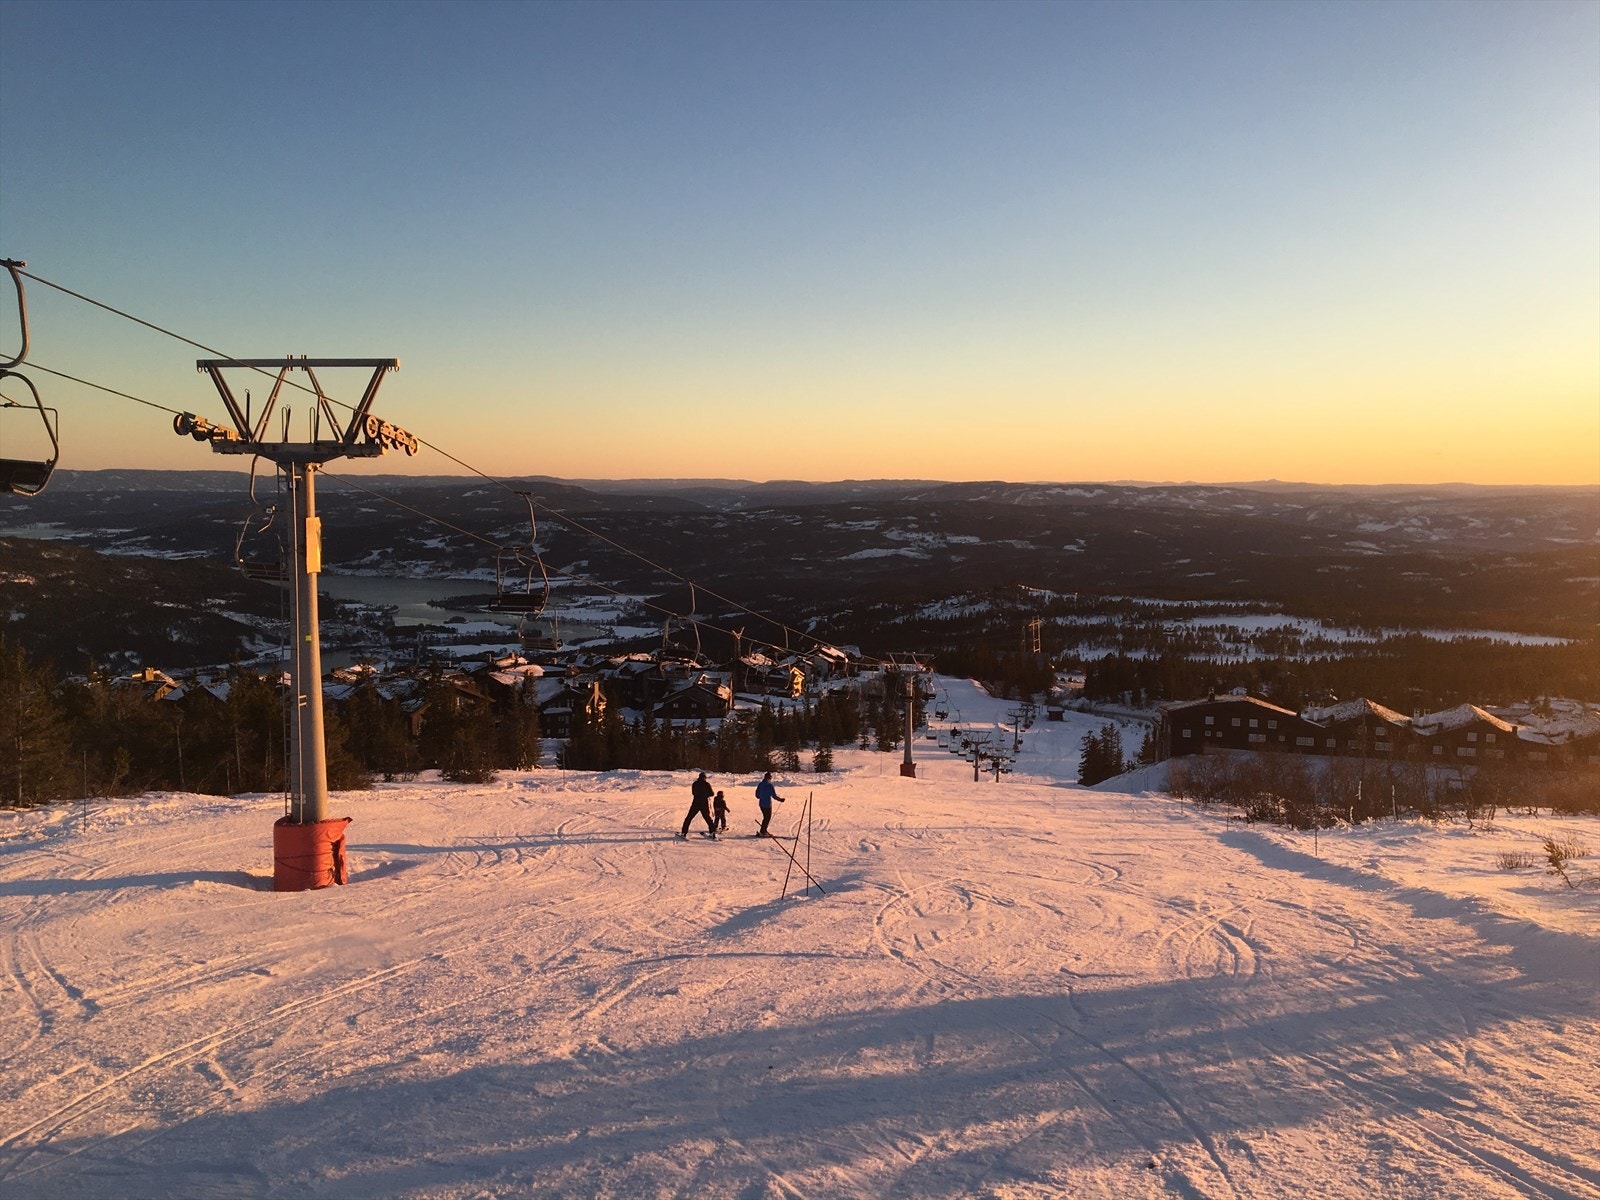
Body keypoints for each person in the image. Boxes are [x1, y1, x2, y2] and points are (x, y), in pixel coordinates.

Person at [679, 771, 716, 839]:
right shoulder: (707, 784)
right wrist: (705, 795)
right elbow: (712, 793)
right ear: (704, 777)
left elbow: (693, 793)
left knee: (689, 818)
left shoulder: (695, 784)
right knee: (707, 818)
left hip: (696, 803)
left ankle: (684, 833)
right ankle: (712, 833)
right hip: (704, 803)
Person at [754, 771, 785, 836]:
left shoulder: (760, 784)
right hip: (767, 805)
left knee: (765, 817)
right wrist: (780, 800)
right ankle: (763, 831)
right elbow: (774, 796)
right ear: (769, 778)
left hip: (761, 804)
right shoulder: (769, 785)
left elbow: (757, 795)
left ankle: (763, 830)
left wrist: (762, 796)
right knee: (767, 818)